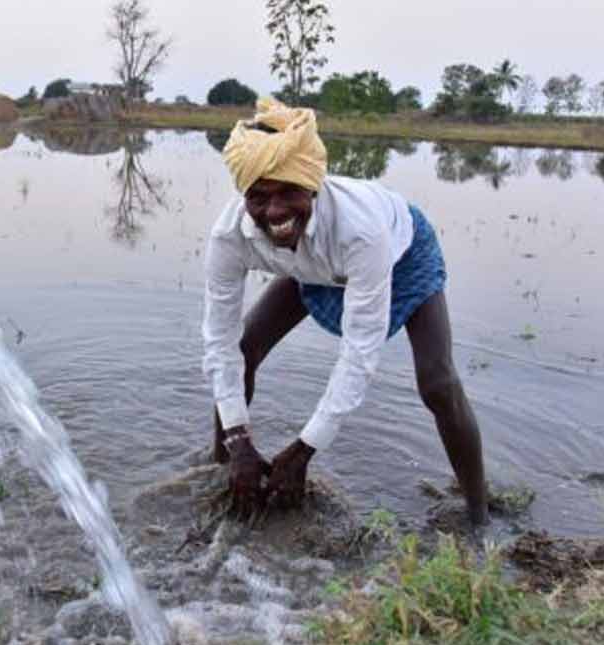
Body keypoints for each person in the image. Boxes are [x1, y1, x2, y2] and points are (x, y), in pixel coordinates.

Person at [202, 99, 489, 527]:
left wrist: (304, 449)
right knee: (244, 347)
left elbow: (359, 353)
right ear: (244, 197)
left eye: (288, 193)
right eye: (259, 198)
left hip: (401, 254)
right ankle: (225, 469)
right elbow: (220, 344)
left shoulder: (361, 231)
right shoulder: (230, 237)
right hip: (311, 263)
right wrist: (239, 438)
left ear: (312, 187)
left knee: (438, 381)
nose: (275, 212)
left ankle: (478, 514)